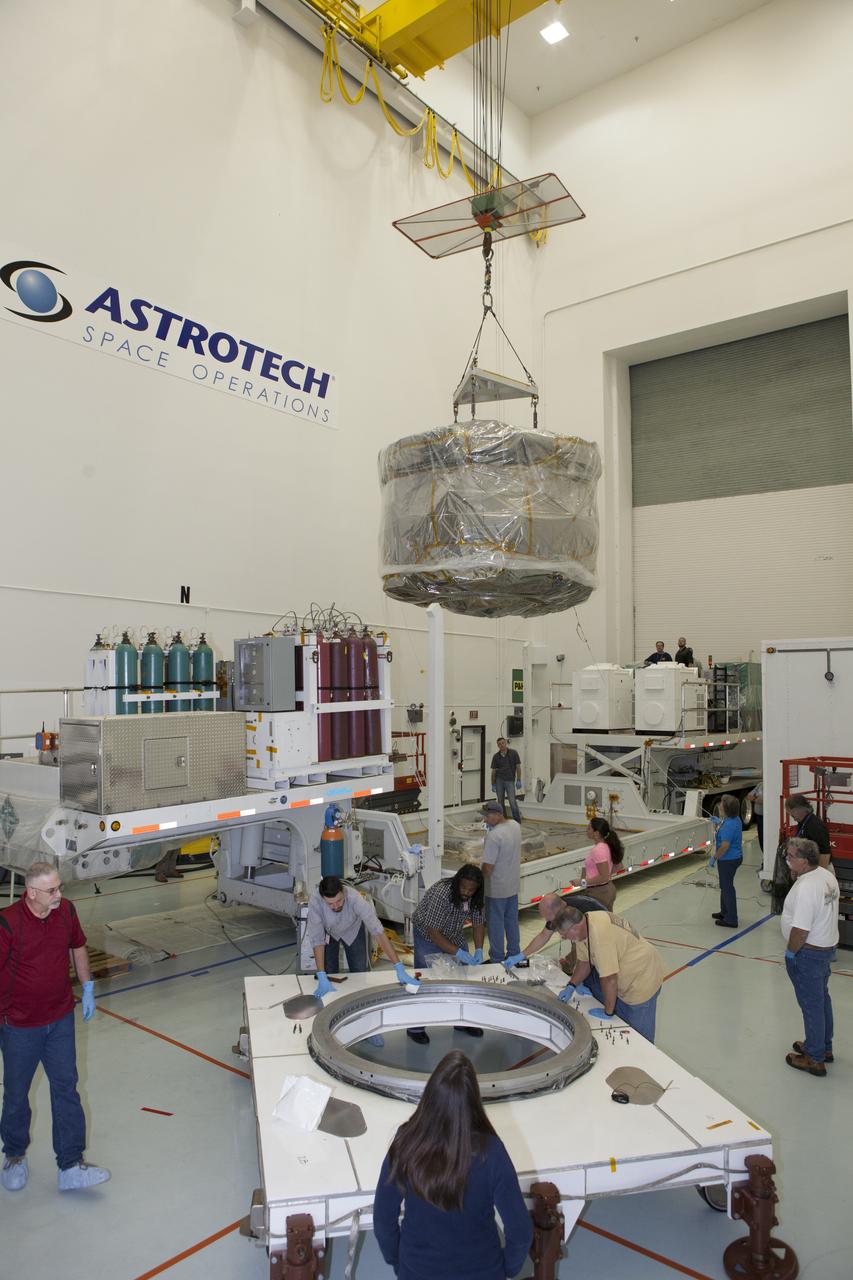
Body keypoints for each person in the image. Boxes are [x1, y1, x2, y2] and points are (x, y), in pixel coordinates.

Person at [373, 1050, 532, 1280]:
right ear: (473, 1100)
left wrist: (398, 1261)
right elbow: (520, 1231)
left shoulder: (406, 1142)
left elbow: (382, 1220)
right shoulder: (492, 1152)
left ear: (430, 1095)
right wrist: (507, 1269)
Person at [0, 861, 110, 1193]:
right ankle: (15, 1156)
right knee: (17, 1095)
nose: (59, 895)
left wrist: (87, 986)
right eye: (52, 891)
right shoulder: (8, 924)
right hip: (20, 1026)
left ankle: (70, 1165)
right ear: (31, 893)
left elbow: (77, 945)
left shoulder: (66, 912)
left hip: (60, 1018)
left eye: (59, 887)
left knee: (66, 1089)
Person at [551, 905, 665, 1042]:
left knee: (641, 1038)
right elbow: (584, 962)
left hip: (642, 977)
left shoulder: (600, 936)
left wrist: (608, 1012)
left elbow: (609, 979)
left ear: (574, 928)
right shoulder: (585, 925)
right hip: (626, 970)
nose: (564, 938)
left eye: (564, 935)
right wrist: (571, 985)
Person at [780, 838, 839, 1077]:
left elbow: (800, 930)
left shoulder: (806, 888)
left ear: (804, 861)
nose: (787, 860)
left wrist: (791, 953)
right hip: (825, 948)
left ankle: (814, 1059)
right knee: (821, 1000)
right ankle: (823, 1046)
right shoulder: (825, 876)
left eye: (791, 857)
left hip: (808, 953)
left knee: (811, 1005)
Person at [408, 866, 486, 1045]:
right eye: (463, 888)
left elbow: (478, 923)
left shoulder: (476, 897)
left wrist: (479, 948)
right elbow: (434, 932)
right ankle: (415, 1028)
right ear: (458, 882)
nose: (466, 892)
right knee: (426, 980)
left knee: (463, 978)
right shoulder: (441, 893)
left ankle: (461, 1021)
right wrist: (458, 952)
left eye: (471, 890)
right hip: (427, 934)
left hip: (453, 932)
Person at [306, 876, 414, 998]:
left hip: (353, 931)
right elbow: (317, 940)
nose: (336, 906)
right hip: (329, 933)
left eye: (339, 901)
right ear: (323, 899)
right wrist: (321, 974)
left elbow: (378, 932)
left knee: (359, 970)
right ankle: (332, 998)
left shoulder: (355, 898)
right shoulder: (315, 902)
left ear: (343, 892)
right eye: (330, 904)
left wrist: (398, 966)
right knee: (329, 971)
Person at [503, 891, 606, 980]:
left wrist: (579, 979)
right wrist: (522, 955)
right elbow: (544, 936)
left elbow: (587, 952)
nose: (547, 921)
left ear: (556, 911)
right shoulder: (559, 909)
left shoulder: (581, 914)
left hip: (603, 934)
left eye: (547, 916)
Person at [480, 802, 521, 964]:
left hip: (496, 889)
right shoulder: (515, 825)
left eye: (487, 816)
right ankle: (514, 954)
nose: (485, 820)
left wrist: (479, 881)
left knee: (495, 924)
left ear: (498, 814)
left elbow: (488, 867)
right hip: (512, 885)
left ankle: (496, 958)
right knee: (511, 921)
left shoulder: (494, 836)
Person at [709, 794, 743, 928]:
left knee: (727, 887)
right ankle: (725, 911)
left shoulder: (729, 825)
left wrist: (714, 857)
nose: (720, 805)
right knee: (725, 886)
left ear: (726, 808)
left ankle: (731, 918)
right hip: (734, 857)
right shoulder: (734, 820)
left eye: (722, 804)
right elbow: (728, 826)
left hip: (728, 860)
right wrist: (719, 822)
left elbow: (724, 846)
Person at [580, 817, 623, 910]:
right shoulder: (606, 846)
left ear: (597, 833)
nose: (586, 830)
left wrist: (583, 882)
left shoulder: (598, 850)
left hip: (599, 893)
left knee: (596, 922)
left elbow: (604, 876)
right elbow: (619, 866)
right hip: (607, 889)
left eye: (589, 828)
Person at [785, 796, 832, 871]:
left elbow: (825, 853)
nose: (791, 815)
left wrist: (819, 874)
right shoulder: (802, 823)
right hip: (808, 868)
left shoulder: (815, 826)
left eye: (792, 812)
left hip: (819, 869)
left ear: (801, 808)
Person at [490, 737, 522, 822]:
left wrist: (518, 780)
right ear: (498, 746)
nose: (501, 745)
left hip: (510, 780)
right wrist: (493, 784)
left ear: (506, 743)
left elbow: (518, 767)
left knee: (512, 802)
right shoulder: (496, 757)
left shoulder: (513, 753)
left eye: (503, 743)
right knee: (500, 802)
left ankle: (517, 822)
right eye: (499, 744)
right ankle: (503, 821)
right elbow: (493, 772)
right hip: (499, 781)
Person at [749, 782, 764, 854]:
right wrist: (757, 798)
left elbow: (763, 800)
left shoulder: (769, 786)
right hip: (758, 816)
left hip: (764, 817)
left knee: (764, 838)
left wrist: (754, 797)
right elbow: (749, 796)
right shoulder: (760, 785)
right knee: (760, 838)